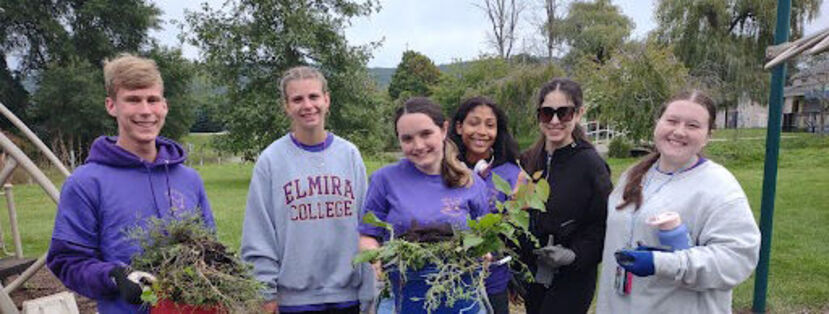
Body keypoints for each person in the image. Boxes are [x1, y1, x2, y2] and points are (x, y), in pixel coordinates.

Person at [47, 53, 216, 314]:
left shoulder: (189, 179)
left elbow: (210, 248)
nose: (146, 111)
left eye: (153, 100)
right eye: (133, 100)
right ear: (111, 105)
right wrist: (115, 275)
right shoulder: (86, 183)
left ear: (165, 106)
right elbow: (66, 260)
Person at [596, 90, 761, 313]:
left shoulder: (719, 186)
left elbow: (736, 261)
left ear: (708, 136)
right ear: (658, 123)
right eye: (672, 121)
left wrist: (662, 263)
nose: (679, 131)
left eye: (693, 126)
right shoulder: (633, 175)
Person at [241, 66, 373, 314]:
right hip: (294, 302)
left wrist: (369, 291)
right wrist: (265, 294)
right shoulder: (271, 160)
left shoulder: (349, 155)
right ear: (286, 106)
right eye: (297, 99)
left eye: (313, 96)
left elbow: (366, 228)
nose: (307, 105)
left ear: (327, 99)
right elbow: (259, 236)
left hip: (347, 297)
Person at [358, 97, 491, 313]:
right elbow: (367, 235)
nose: (418, 146)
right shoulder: (384, 179)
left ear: (444, 129)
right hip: (402, 298)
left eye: (426, 134)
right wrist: (376, 258)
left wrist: (484, 252)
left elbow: (484, 236)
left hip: (462, 300)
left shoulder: (471, 183)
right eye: (407, 139)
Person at [519, 78, 612, 314]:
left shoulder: (591, 165)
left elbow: (603, 223)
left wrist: (574, 255)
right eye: (547, 113)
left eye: (564, 113)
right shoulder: (529, 160)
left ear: (579, 113)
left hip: (572, 278)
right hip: (534, 275)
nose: (555, 121)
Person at [450, 96, 522, 314]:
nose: (482, 131)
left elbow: (517, 229)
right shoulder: (442, 170)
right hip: (447, 276)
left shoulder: (512, 174)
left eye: (490, 125)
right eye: (474, 123)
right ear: (459, 127)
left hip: (493, 279)